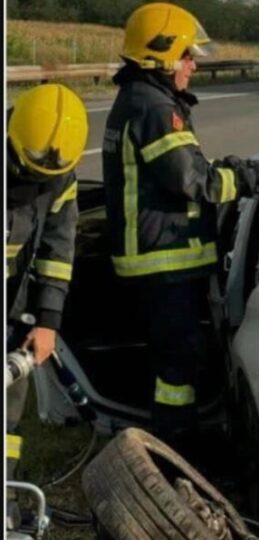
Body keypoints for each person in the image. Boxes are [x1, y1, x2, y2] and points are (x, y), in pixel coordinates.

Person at [102, 3, 255, 446]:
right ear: (161, 57)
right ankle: (178, 451)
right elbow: (194, 180)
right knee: (178, 365)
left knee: (176, 360)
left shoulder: (142, 99)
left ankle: (177, 440)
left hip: (153, 261)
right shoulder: (153, 108)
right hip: (162, 263)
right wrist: (248, 180)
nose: (193, 63)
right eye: (187, 55)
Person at [6, 84, 88, 518]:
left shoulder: (60, 175)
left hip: (12, 311)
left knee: (7, 419)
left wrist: (47, 320)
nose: (32, 182)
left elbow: (58, 249)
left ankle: (4, 499)